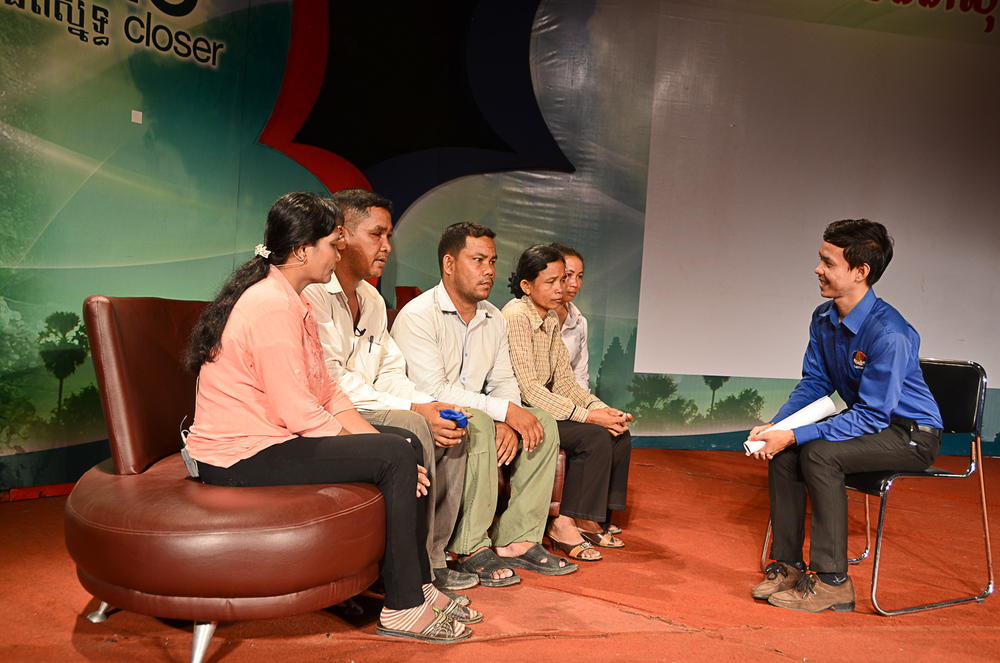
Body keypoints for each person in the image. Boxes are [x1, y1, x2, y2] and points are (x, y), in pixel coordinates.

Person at [182, 192, 478, 643]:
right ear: (303, 250)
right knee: (396, 454)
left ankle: (417, 585)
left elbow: (328, 391)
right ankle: (401, 608)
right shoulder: (269, 305)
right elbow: (298, 410)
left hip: (273, 439)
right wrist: (381, 453)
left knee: (404, 442)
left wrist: (383, 443)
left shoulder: (296, 302)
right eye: (333, 245)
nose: (340, 253)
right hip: (238, 456)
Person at [748, 219, 943, 613]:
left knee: (819, 453)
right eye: (819, 260)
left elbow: (872, 415)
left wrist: (798, 435)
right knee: (785, 452)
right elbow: (815, 383)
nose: (818, 269)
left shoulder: (890, 333)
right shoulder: (824, 318)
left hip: (911, 435)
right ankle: (787, 565)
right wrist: (780, 426)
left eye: (827, 262)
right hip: (871, 425)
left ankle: (833, 581)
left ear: (860, 272)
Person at [302, 189, 477, 597]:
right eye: (376, 234)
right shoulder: (310, 293)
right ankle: (407, 572)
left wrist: (428, 404)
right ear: (340, 237)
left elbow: (389, 371)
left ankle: (432, 559)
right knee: (414, 424)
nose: (386, 246)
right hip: (331, 412)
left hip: (372, 402)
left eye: (389, 236)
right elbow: (329, 381)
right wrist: (415, 408)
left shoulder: (372, 300)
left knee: (450, 419)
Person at [392, 222, 576, 586]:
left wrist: (509, 420)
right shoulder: (418, 315)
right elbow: (434, 389)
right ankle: (469, 546)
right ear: (448, 264)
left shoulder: (493, 317)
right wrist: (503, 413)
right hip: (426, 416)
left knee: (542, 421)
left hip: (480, 414)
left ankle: (517, 539)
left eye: (492, 261)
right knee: (475, 418)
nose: (489, 270)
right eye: (478, 260)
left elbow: (504, 379)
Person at [501, 245, 633, 562]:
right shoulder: (516, 316)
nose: (561, 289)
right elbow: (529, 389)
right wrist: (588, 417)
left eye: (564, 280)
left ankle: (592, 516)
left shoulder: (547, 317)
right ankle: (562, 523)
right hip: (522, 411)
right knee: (594, 436)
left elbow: (565, 382)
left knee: (618, 431)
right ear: (526, 285)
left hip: (548, 405)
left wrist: (604, 410)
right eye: (552, 282)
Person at [550, 243, 590, 392]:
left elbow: (580, 375)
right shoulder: (528, 313)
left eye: (579, 276)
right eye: (568, 275)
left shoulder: (579, 321)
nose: (575, 284)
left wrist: (584, 407)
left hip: (570, 400)